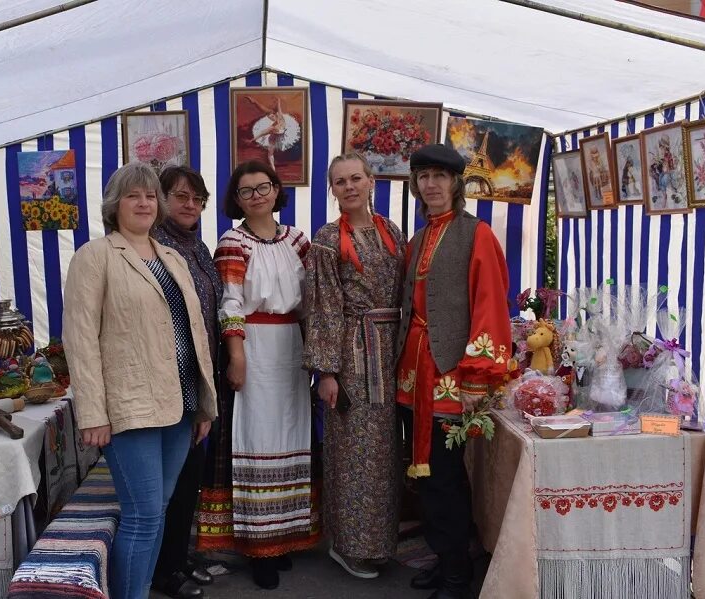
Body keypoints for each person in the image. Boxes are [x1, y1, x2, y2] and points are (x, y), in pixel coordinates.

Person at [62, 162, 218, 599]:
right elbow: (80, 339)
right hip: (129, 409)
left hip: (179, 406)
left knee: (159, 512)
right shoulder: (95, 257)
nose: (145, 203)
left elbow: (195, 335)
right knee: (143, 515)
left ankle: (141, 589)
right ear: (116, 205)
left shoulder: (171, 257)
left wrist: (203, 405)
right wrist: (92, 412)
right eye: (134, 196)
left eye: (151, 196)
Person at [394, 144, 511, 599]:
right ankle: (444, 558)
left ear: (456, 184)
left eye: (440, 177)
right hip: (413, 373)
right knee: (423, 477)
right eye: (423, 177)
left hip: (451, 376)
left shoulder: (476, 234)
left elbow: (489, 307)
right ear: (416, 185)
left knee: (445, 477)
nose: (431, 185)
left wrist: (477, 377)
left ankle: (458, 573)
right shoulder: (417, 239)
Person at [197, 160, 319, 590]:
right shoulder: (233, 242)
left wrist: (316, 353)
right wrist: (236, 354)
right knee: (257, 438)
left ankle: (283, 539)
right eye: (246, 191)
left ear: (275, 189)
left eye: (262, 187)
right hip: (254, 345)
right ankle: (258, 546)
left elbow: (311, 301)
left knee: (292, 435)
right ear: (236, 199)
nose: (256, 196)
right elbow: (229, 302)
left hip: (292, 346)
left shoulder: (298, 240)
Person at [302, 152, 406, 579]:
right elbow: (321, 306)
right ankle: (347, 544)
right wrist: (326, 371)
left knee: (385, 451)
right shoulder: (327, 238)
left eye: (355, 178)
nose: (349, 187)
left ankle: (379, 541)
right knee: (352, 450)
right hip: (351, 353)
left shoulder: (391, 231)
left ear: (371, 181)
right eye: (340, 181)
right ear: (332, 189)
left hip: (391, 350)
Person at [150, 166, 223, 599]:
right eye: (180, 196)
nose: (190, 205)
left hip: (202, 377)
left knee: (189, 474)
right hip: (172, 379)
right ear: (161, 198)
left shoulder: (197, 247)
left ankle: (179, 556)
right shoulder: (156, 248)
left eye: (197, 199)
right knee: (171, 481)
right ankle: (163, 570)